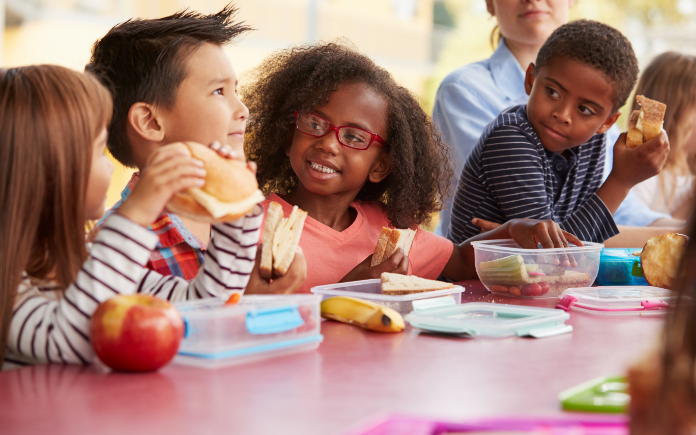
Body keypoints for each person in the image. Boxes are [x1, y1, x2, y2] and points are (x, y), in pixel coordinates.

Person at [242, 42, 583, 293]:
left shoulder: (387, 228)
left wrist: (513, 229)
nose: (329, 143)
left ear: (381, 166)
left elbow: (462, 261)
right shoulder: (250, 229)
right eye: (315, 124)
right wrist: (344, 291)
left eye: (354, 136)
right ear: (289, 137)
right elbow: (242, 320)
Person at [0, 65, 264, 370]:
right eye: (100, 151)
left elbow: (205, 307)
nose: (111, 167)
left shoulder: (86, 261)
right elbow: (70, 341)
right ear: (47, 173)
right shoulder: (9, 282)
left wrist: (236, 208)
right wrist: (136, 214)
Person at [86, 5, 305, 292]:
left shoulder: (245, 219)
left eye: (235, 90)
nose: (243, 109)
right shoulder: (113, 253)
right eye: (218, 91)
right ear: (151, 122)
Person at [433, 0, 682, 245]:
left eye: (584, 109)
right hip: (476, 283)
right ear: (530, 80)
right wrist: (621, 181)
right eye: (552, 92)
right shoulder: (509, 137)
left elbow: (569, 237)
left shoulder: (593, 140)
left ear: (607, 122)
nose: (563, 114)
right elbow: (555, 255)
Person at [630, 52, 696, 221]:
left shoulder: (689, 174)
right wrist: (691, 202)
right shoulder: (643, 173)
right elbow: (635, 230)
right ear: (675, 113)